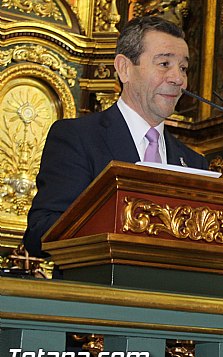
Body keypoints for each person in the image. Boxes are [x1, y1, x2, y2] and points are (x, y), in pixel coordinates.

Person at [23, 16, 209, 256]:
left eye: (183, 68)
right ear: (124, 68)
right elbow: (41, 233)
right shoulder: (77, 138)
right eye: (164, 64)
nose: (178, 79)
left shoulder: (194, 163)